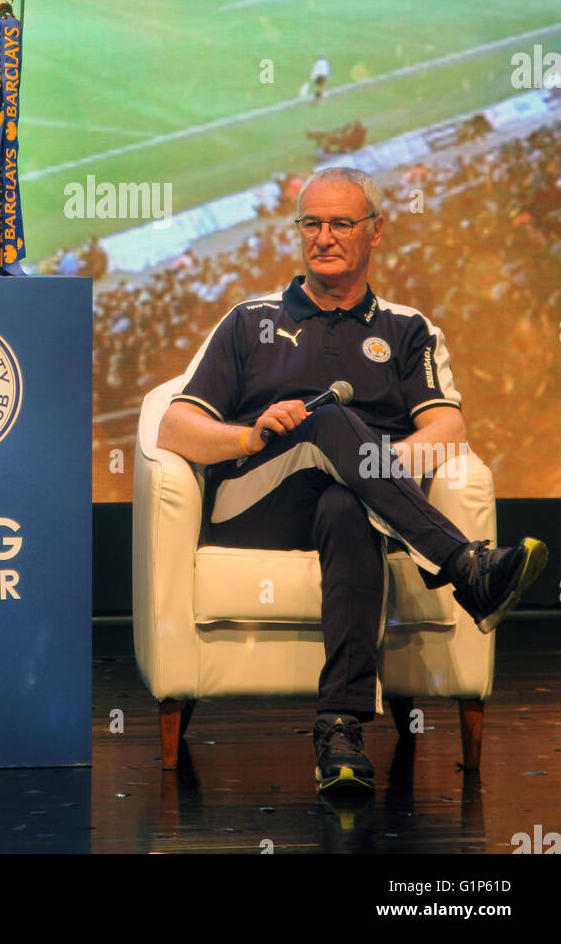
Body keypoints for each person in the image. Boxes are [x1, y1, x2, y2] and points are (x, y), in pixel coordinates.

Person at [157, 166, 548, 794]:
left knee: (348, 502)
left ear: (376, 232)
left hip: (361, 510)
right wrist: (251, 435)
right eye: (311, 223)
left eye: (342, 223)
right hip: (257, 503)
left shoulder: (406, 328)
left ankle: (339, 730)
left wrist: (375, 474)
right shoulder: (248, 320)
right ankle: (465, 567)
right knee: (328, 418)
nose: (325, 236)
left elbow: (447, 430)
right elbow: (174, 429)